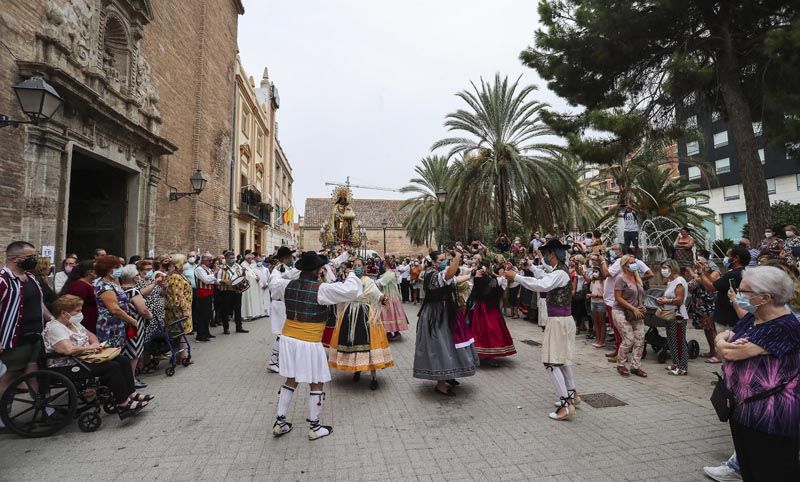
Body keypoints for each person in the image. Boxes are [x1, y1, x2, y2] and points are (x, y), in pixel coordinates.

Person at [716, 266, 800, 480]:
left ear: (765, 297)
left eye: (744, 292)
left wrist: (724, 342)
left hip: (771, 416)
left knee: (772, 471)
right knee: (750, 470)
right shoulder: (752, 318)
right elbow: (725, 344)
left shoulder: (784, 326)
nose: (738, 295)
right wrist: (721, 340)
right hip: (743, 410)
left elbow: (731, 352)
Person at [271, 251, 363, 440]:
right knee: (316, 381)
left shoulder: (286, 285)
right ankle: (315, 426)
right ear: (316, 270)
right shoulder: (321, 290)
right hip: (309, 341)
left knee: (291, 379)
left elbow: (274, 283)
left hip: (288, 339)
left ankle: (280, 422)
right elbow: (351, 290)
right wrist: (352, 272)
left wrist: (288, 273)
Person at [44, 295, 152, 419]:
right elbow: (69, 350)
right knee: (112, 367)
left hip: (84, 358)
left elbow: (92, 336)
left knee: (122, 359)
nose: (80, 313)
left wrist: (95, 344)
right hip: (67, 365)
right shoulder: (56, 328)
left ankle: (131, 394)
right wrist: (90, 348)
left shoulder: (73, 324)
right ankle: (123, 404)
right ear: (64, 313)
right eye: (77, 311)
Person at [505, 239, 579, 421]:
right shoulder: (559, 271)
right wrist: (530, 267)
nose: (545, 256)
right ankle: (572, 395)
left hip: (559, 322)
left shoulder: (560, 274)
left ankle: (565, 405)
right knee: (563, 360)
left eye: (547, 253)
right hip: (563, 320)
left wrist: (516, 277)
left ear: (552, 254)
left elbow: (543, 285)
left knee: (551, 362)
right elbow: (544, 276)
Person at [413, 249, 478, 396]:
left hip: (445, 312)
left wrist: (472, 275)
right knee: (440, 346)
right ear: (434, 261)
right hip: (435, 315)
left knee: (449, 344)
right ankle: (440, 383)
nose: (443, 262)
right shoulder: (431, 274)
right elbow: (449, 275)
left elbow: (453, 279)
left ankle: (448, 374)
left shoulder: (438, 274)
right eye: (441, 260)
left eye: (444, 259)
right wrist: (458, 257)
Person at [328, 258, 394, 390]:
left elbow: (376, 294)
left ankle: (373, 377)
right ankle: (356, 369)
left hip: (365, 316)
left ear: (364, 268)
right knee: (352, 343)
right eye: (355, 265)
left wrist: (382, 298)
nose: (358, 267)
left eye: (360, 265)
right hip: (349, 315)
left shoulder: (368, 281)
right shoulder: (349, 280)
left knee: (369, 344)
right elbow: (343, 293)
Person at [0, 242, 54, 400]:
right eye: (30, 256)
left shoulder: (31, 278)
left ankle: (43, 407)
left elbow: (40, 304)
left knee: (34, 373)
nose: (34, 260)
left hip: (35, 335)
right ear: (13, 258)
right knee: (10, 375)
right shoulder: (3, 281)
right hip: (14, 339)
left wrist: (53, 320)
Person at [695, 247, 750, 363]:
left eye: (728, 255)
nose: (726, 258)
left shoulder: (733, 274)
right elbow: (716, 283)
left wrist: (700, 272)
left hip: (728, 318)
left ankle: (726, 378)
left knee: (727, 351)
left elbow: (711, 287)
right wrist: (705, 272)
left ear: (735, 258)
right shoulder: (744, 272)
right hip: (736, 315)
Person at [93, 255, 140, 354]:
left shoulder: (113, 283)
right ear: (109, 270)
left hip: (118, 324)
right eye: (117, 267)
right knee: (111, 353)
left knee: (119, 352)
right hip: (110, 326)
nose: (120, 269)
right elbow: (114, 309)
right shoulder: (105, 286)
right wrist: (131, 320)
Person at [471, 265, 516, 364]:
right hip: (483, 308)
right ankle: (484, 354)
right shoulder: (488, 279)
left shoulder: (491, 279)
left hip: (486, 307)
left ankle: (486, 354)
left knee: (489, 329)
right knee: (485, 329)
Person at [612, 254, 647, 378]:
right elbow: (618, 297)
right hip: (621, 311)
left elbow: (641, 294)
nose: (634, 265)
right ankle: (621, 364)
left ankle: (636, 366)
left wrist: (642, 306)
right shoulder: (620, 278)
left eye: (635, 262)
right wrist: (633, 308)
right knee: (629, 339)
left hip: (636, 312)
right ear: (624, 265)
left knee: (640, 338)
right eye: (631, 262)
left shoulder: (637, 277)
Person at [119, 265, 153, 388]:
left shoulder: (119, 290)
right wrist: (150, 316)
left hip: (125, 325)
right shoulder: (133, 291)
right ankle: (131, 379)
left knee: (127, 352)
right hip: (135, 325)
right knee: (134, 353)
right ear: (134, 278)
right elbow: (142, 310)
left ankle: (128, 378)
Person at [656, 259, 689, 375]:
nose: (663, 270)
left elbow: (679, 299)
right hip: (670, 314)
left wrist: (667, 300)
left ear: (672, 267)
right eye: (662, 268)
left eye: (665, 267)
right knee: (672, 341)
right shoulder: (671, 281)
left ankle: (682, 367)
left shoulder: (679, 281)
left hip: (678, 316)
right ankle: (676, 363)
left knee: (679, 342)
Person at [267, 246, 296, 372]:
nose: (291, 259)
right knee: (281, 334)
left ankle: (281, 359)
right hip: (279, 304)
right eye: (290, 257)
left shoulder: (284, 269)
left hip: (283, 304)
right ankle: (273, 361)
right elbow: (273, 285)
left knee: (285, 333)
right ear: (285, 258)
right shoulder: (277, 270)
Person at [165, 254, 193, 364]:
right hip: (178, 311)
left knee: (180, 334)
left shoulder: (178, 275)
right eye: (185, 262)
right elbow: (178, 296)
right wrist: (185, 310)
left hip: (180, 309)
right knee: (181, 333)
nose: (186, 264)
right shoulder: (176, 277)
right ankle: (182, 356)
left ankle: (181, 355)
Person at [217, 252, 248, 334]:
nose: (233, 259)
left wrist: (244, 273)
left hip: (237, 290)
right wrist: (223, 281)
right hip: (227, 291)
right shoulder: (221, 268)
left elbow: (241, 276)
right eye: (231, 258)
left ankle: (239, 327)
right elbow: (217, 280)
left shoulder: (237, 266)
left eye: (233, 257)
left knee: (238, 309)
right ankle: (226, 328)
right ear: (226, 259)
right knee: (226, 310)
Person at [377, 262, 409, 339]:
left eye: (384, 265)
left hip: (389, 295)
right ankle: (392, 332)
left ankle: (392, 332)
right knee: (394, 313)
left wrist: (370, 282)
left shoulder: (389, 274)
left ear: (386, 265)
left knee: (389, 313)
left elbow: (381, 282)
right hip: (393, 295)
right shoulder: (392, 273)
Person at [193, 253, 219, 342]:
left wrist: (220, 281)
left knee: (208, 314)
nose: (211, 262)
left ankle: (206, 332)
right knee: (202, 314)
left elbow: (213, 280)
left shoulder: (207, 269)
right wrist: (215, 273)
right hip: (202, 293)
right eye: (209, 260)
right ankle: (200, 335)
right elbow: (206, 280)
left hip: (209, 293)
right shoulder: (199, 269)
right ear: (203, 260)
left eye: (211, 260)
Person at [587, 254, 607, 349]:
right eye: (593, 271)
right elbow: (591, 290)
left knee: (602, 322)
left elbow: (606, 294)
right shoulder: (593, 281)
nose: (594, 273)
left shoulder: (604, 281)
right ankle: (597, 339)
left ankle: (602, 340)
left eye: (596, 271)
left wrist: (596, 295)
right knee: (595, 322)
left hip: (600, 302)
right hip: (593, 302)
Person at [240, 253, 264, 321]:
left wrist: (257, 276)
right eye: (252, 258)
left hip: (252, 287)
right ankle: (245, 315)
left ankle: (251, 314)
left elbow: (252, 273)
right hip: (246, 288)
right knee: (246, 300)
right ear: (248, 258)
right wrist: (255, 277)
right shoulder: (243, 265)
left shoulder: (249, 265)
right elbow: (247, 276)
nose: (253, 260)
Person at [183, 251, 198, 334]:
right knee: (189, 308)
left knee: (196, 308)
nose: (192, 257)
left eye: (193, 256)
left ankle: (195, 325)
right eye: (190, 256)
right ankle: (188, 327)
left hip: (196, 290)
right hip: (188, 290)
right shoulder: (185, 267)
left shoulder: (196, 266)